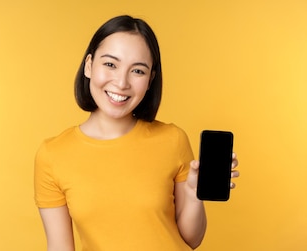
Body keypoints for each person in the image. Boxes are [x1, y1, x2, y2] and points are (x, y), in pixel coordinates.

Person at [34, 15, 240, 251]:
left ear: (150, 79)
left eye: (138, 71)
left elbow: (192, 240)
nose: (122, 83)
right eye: (110, 64)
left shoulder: (173, 139)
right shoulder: (53, 155)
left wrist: (194, 193)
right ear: (89, 65)